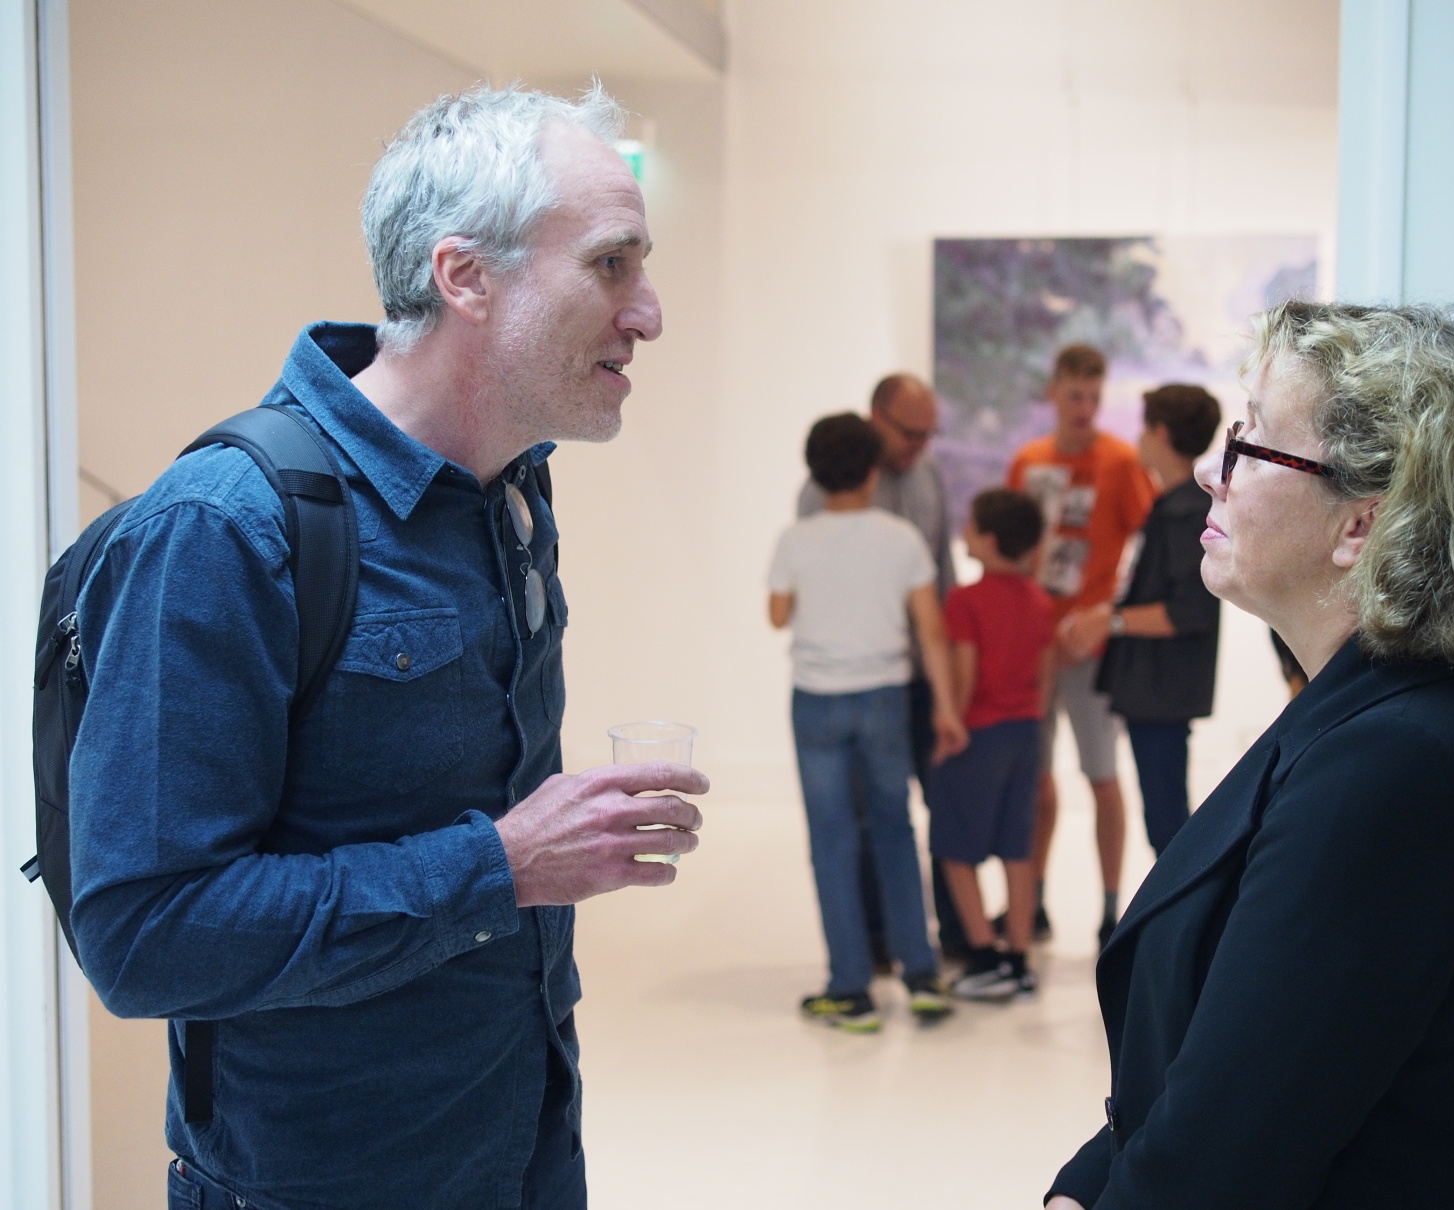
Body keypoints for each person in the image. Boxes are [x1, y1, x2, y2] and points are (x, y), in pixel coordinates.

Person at [68, 86, 707, 1210]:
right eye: (610, 264)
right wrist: (502, 866)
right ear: (465, 276)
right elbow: (144, 937)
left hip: (522, 1141)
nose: (647, 314)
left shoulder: (513, 489)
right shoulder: (222, 527)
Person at [1046, 301, 1454, 1208]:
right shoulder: (1406, 710)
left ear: (1360, 527)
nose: (1210, 472)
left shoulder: (1400, 762)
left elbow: (1222, 1159)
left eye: (1250, 442)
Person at [769, 413, 966, 1032]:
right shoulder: (901, 539)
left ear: (814, 473)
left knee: (831, 841)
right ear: (873, 471)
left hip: (816, 701)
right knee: (895, 829)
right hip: (885, 698)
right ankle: (922, 973)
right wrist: (946, 708)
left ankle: (850, 986)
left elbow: (777, 616)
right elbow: (930, 631)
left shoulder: (795, 539)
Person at [1007, 345, 1155, 946]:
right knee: (1037, 780)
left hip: (1091, 653)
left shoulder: (1120, 462)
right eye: (1075, 395)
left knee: (1102, 776)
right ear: (1053, 392)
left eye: (1094, 396)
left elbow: (1150, 548)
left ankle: (1111, 908)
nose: (1085, 408)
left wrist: (1107, 616)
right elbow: (1012, 548)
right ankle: (1033, 901)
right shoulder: (1029, 461)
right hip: (1034, 647)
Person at [1064, 384, 1223, 860]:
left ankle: (1188, 909)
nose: (1138, 437)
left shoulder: (1185, 512)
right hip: (1157, 687)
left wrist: (1108, 621)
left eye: (1145, 427)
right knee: (1164, 817)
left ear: (1162, 433)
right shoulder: (1175, 505)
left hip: (1163, 687)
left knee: (1167, 822)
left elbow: (1187, 611)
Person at [931, 490, 1056, 1001]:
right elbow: (1045, 678)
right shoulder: (1040, 600)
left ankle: (984, 954)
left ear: (986, 540)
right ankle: (1019, 961)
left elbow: (965, 671)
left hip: (978, 733)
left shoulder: (965, 600)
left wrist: (951, 728)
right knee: (1017, 849)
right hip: (1025, 732)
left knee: (953, 848)